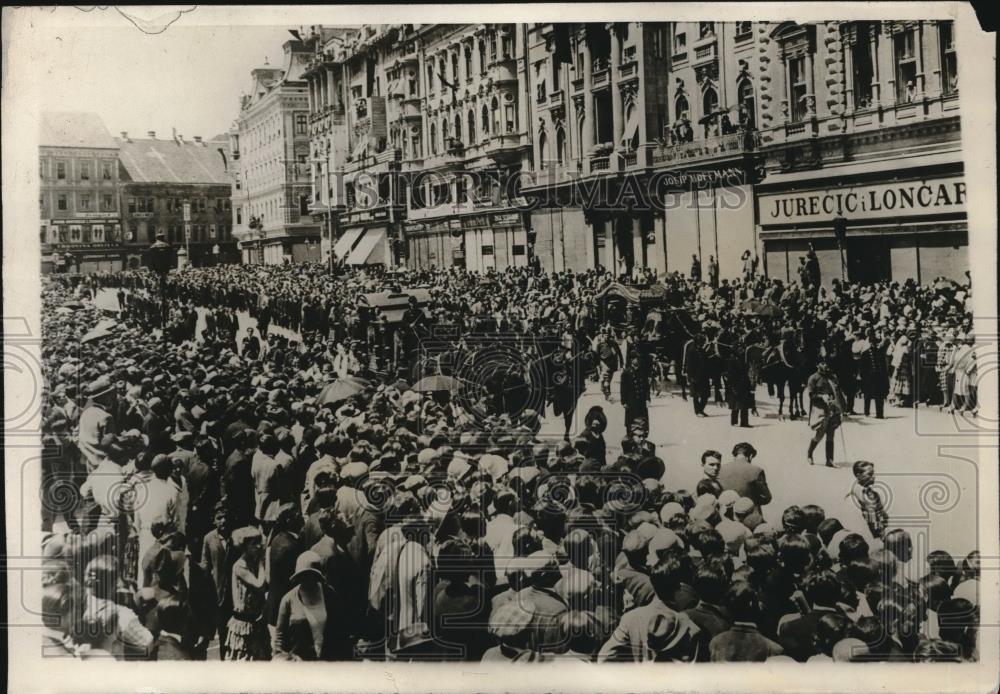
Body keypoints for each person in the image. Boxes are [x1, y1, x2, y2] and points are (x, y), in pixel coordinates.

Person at [272, 551, 351, 660]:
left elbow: (341, 631)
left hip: (327, 663)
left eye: (310, 575)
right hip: (299, 665)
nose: (306, 580)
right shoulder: (288, 599)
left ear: (317, 576)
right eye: (302, 576)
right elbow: (279, 640)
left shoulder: (330, 595)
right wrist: (284, 659)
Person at [226, 526, 269, 661]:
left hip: (255, 621)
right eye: (254, 543)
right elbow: (259, 584)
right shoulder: (240, 566)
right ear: (244, 546)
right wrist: (263, 562)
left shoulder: (252, 563)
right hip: (243, 622)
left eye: (258, 542)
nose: (258, 546)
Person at [806, 361, 846, 467]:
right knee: (819, 435)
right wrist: (821, 396)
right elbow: (811, 396)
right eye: (823, 364)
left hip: (832, 408)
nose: (825, 366)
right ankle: (809, 453)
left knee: (831, 434)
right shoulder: (813, 378)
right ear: (818, 365)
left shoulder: (833, 377)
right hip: (820, 409)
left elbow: (838, 392)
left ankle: (829, 460)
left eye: (827, 364)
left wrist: (841, 408)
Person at [849, 460, 888, 540]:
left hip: (879, 536)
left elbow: (883, 517)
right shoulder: (853, 497)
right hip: (866, 539)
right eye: (870, 474)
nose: (874, 476)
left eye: (873, 473)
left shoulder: (874, 494)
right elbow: (855, 524)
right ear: (858, 475)